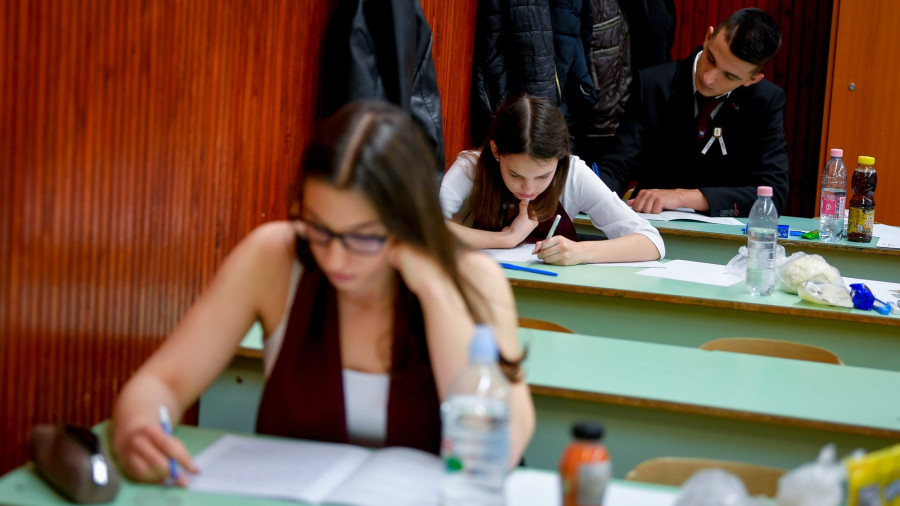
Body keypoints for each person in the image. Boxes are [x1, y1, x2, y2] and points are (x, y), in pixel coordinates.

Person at [111, 101, 536, 484]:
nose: (334, 258)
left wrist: (433, 288)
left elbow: (502, 451)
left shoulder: (474, 280)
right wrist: (140, 427)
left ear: (407, 225)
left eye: (362, 237)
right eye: (318, 227)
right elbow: (159, 382)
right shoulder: (275, 258)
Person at [595, 8, 789, 218]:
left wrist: (683, 197)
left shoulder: (765, 101)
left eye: (729, 76)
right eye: (711, 58)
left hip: (725, 232)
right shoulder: (653, 84)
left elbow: (773, 196)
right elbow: (618, 166)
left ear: (752, 79)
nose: (708, 78)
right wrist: (589, 196)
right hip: (649, 223)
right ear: (708, 37)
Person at [440, 94, 664, 266]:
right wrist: (507, 238)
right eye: (515, 175)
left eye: (543, 176)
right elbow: (424, 228)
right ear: (496, 150)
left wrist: (581, 251)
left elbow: (651, 242)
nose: (528, 189)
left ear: (560, 158)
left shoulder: (573, 173)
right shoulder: (469, 168)